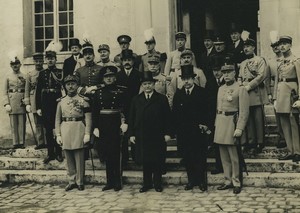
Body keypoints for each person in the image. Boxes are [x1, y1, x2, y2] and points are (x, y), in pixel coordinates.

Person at [128, 71, 172, 193]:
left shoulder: (161, 99)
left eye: (149, 84)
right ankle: (146, 183)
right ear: (142, 85)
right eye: (145, 84)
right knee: (145, 160)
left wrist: (168, 133)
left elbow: (167, 118)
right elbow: (131, 118)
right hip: (142, 134)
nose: (147, 86)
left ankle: (157, 183)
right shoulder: (136, 99)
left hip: (157, 134)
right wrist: (131, 134)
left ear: (154, 84)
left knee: (157, 159)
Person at [172, 65, 211, 191]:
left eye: (189, 78)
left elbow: (208, 111)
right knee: (188, 156)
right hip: (184, 131)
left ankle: (201, 181)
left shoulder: (202, 92)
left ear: (194, 79)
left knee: (200, 156)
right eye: (184, 79)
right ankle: (191, 180)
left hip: (198, 130)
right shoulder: (179, 94)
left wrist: (206, 125)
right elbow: (175, 113)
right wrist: (176, 130)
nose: (187, 81)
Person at [215, 64, 249, 194]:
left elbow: (244, 111)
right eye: (224, 72)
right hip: (221, 121)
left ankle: (236, 181)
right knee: (223, 155)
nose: (226, 75)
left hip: (232, 123)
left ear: (235, 73)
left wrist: (240, 128)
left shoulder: (240, 89)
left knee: (234, 155)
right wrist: (215, 124)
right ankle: (227, 180)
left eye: (229, 72)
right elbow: (217, 108)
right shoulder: (221, 88)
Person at [92, 66, 127, 191]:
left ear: (115, 78)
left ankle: (117, 181)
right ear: (103, 79)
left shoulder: (122, 91)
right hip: (103, 125)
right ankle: (109, 181)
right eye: (106, 77)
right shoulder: (98, 93)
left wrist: (125, 123)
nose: (109, 79)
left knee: (116, 153)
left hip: (115, 124)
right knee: (106, 154)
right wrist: (95, 127)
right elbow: (95, 112)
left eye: (111, 76)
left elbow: (125, 109)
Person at [55, 75, 92, 191]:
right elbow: (57, 119)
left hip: (79, 128)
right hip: (65, 128)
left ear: (77, 85)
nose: (70, 86)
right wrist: (58, 134)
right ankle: (71, 181)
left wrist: (87, 133)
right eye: (68, 84)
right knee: (68, 156)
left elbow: (88, 118)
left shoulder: (83, 100)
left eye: (73, 84)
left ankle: (80, 181)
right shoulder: (61, 101)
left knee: (79, 156)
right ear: (65, 86)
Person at [238, 38, 268, 155]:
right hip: (245, 92)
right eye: (244, 47)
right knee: (248, 118)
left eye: (248, 46)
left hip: (255, 91)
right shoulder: (243, 63)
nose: (246, 49)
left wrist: (249, 86)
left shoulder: (260, 60)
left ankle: (260, 142)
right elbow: (240, 77)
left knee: (257, 118)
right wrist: (241, 86)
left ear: (254, 47)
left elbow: (261, 76)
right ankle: (251, 142)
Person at [274, 36, 300, 162]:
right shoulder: (279, 61)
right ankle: (290, 150)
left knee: (293, 122)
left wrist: (299, 98)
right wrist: (274, 98)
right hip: (281, 94)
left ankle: (297, 151)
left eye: (285, 44)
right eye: (280, 44)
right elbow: (276, 81)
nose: (282, 46)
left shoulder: (296, 60)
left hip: (291, 93)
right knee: (284, 122)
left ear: (290, 45)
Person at [36, 50, 64, 164]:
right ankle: (50, 153)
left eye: (52, 58)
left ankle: (59, 153)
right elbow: (38, 91)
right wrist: (38, 107)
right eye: (48, 58)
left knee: (58, 128)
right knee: (48, 129)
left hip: (57, 101)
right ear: (46, 60)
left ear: (56, 59)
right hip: (46, 103)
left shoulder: (60, 72)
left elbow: (64, 89)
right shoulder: (42, 73)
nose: (50, 60)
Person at [116, 49, 141, 165]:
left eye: (129, 60)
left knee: (136, 130)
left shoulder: (138, 74)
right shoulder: (117, 75)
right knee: (123, 132)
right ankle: (124, 158)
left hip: (136, 107)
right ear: (121, 62)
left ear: (133, 61)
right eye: (125, 60)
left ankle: (137, 157)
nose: (127, 62)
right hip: (122, 107)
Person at [206, 55, 226, 175]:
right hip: (214, 117)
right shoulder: (210, 83)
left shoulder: (227, 82)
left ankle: (229, 166)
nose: (217, 73)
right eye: (214, 70)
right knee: (217, 142)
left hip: (226, 117)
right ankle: (219, 166)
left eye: (218, 70)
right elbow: (207, 103)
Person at [266, 35, 286, 148]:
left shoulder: (287, 59)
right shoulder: (270, 61)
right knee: (277, 114)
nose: (276, 48)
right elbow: (267, 78)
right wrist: (269, 93)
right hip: (275, 89)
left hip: (285, 88)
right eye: (273, 46)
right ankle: (281, 137)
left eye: (277, 45)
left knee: (287, 114)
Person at [24, 52, 46, 150]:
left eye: (40, 61)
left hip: (45, 99)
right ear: (34, 62)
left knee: (46, 122)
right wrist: (27, 103)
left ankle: (47, 141)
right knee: (38, 122)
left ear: (43, 61)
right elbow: (27, 89)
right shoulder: (30, 74)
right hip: (34, 101)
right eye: (36, 61)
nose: (38, 63)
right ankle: (40, 142)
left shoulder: (46, 72)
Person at [3, 56, 26, 149]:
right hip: (12, 101)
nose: (15, 66)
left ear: (20, 64)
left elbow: (27, 90)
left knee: (21, 122)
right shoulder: (8, 77)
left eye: (16, 64)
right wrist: (6, 103)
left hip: (21, 100)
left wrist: (26, 101)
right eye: (13, 64)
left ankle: (21, 142)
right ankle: (15, 142)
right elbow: (4, 91)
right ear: (10, 66)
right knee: (13, 122)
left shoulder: (25, 76)